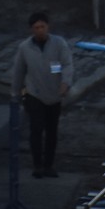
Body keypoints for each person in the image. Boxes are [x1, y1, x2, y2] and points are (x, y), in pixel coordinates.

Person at [10, 11, 74, 178]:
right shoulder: (25, 48)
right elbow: (19, 71)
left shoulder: (59, 44)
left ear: (48, 26)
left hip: (54, 94)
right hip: (34, 94)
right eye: (36, 27)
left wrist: (65, 83)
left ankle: (49, 165)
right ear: (32, 29)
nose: (40, 30)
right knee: (36, 130)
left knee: (52, 131)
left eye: (42, 27)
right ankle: (37, 165)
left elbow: (67, 64)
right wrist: (15, 93)